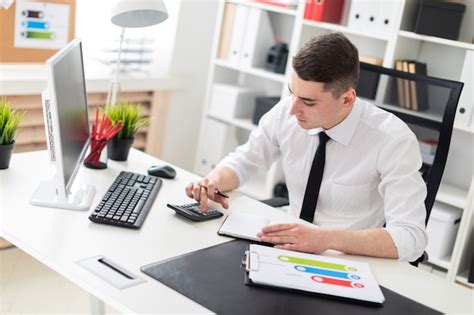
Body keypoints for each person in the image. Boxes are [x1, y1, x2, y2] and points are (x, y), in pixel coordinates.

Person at [186, 33, 427, 262]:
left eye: (308, 102)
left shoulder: (392, 139)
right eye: (293, 93)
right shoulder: (286, 112)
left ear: (347, 99)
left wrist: (327, 238)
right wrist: (212, 181)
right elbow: (244, 161)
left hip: (348, 256)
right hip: (288, 243)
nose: (293, 110)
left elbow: (411, 238)